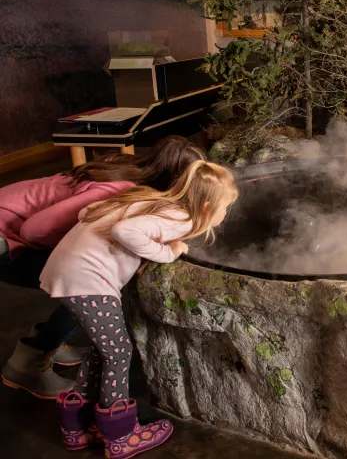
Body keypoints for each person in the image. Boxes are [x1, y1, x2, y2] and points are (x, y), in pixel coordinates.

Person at [43, 160, 238, 456]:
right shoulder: (180, 218)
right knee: (119, 352)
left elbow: (87, 213)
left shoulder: (149, 199)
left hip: (67, 270)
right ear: (208, 206)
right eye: (226, 207)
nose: (226, 213)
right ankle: (121, 435)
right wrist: (166, 252)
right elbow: (124, 230)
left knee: (102, 349)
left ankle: (78, 426)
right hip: (87, 282)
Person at [1, 136, 206, 399]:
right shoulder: (114, 190)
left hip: (10, 220)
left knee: (81, 277)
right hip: (6, 235)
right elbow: (33, 230)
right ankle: (27, 363)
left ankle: (49, 340)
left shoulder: (133, 169)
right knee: (87, 283)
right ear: (172, 181)